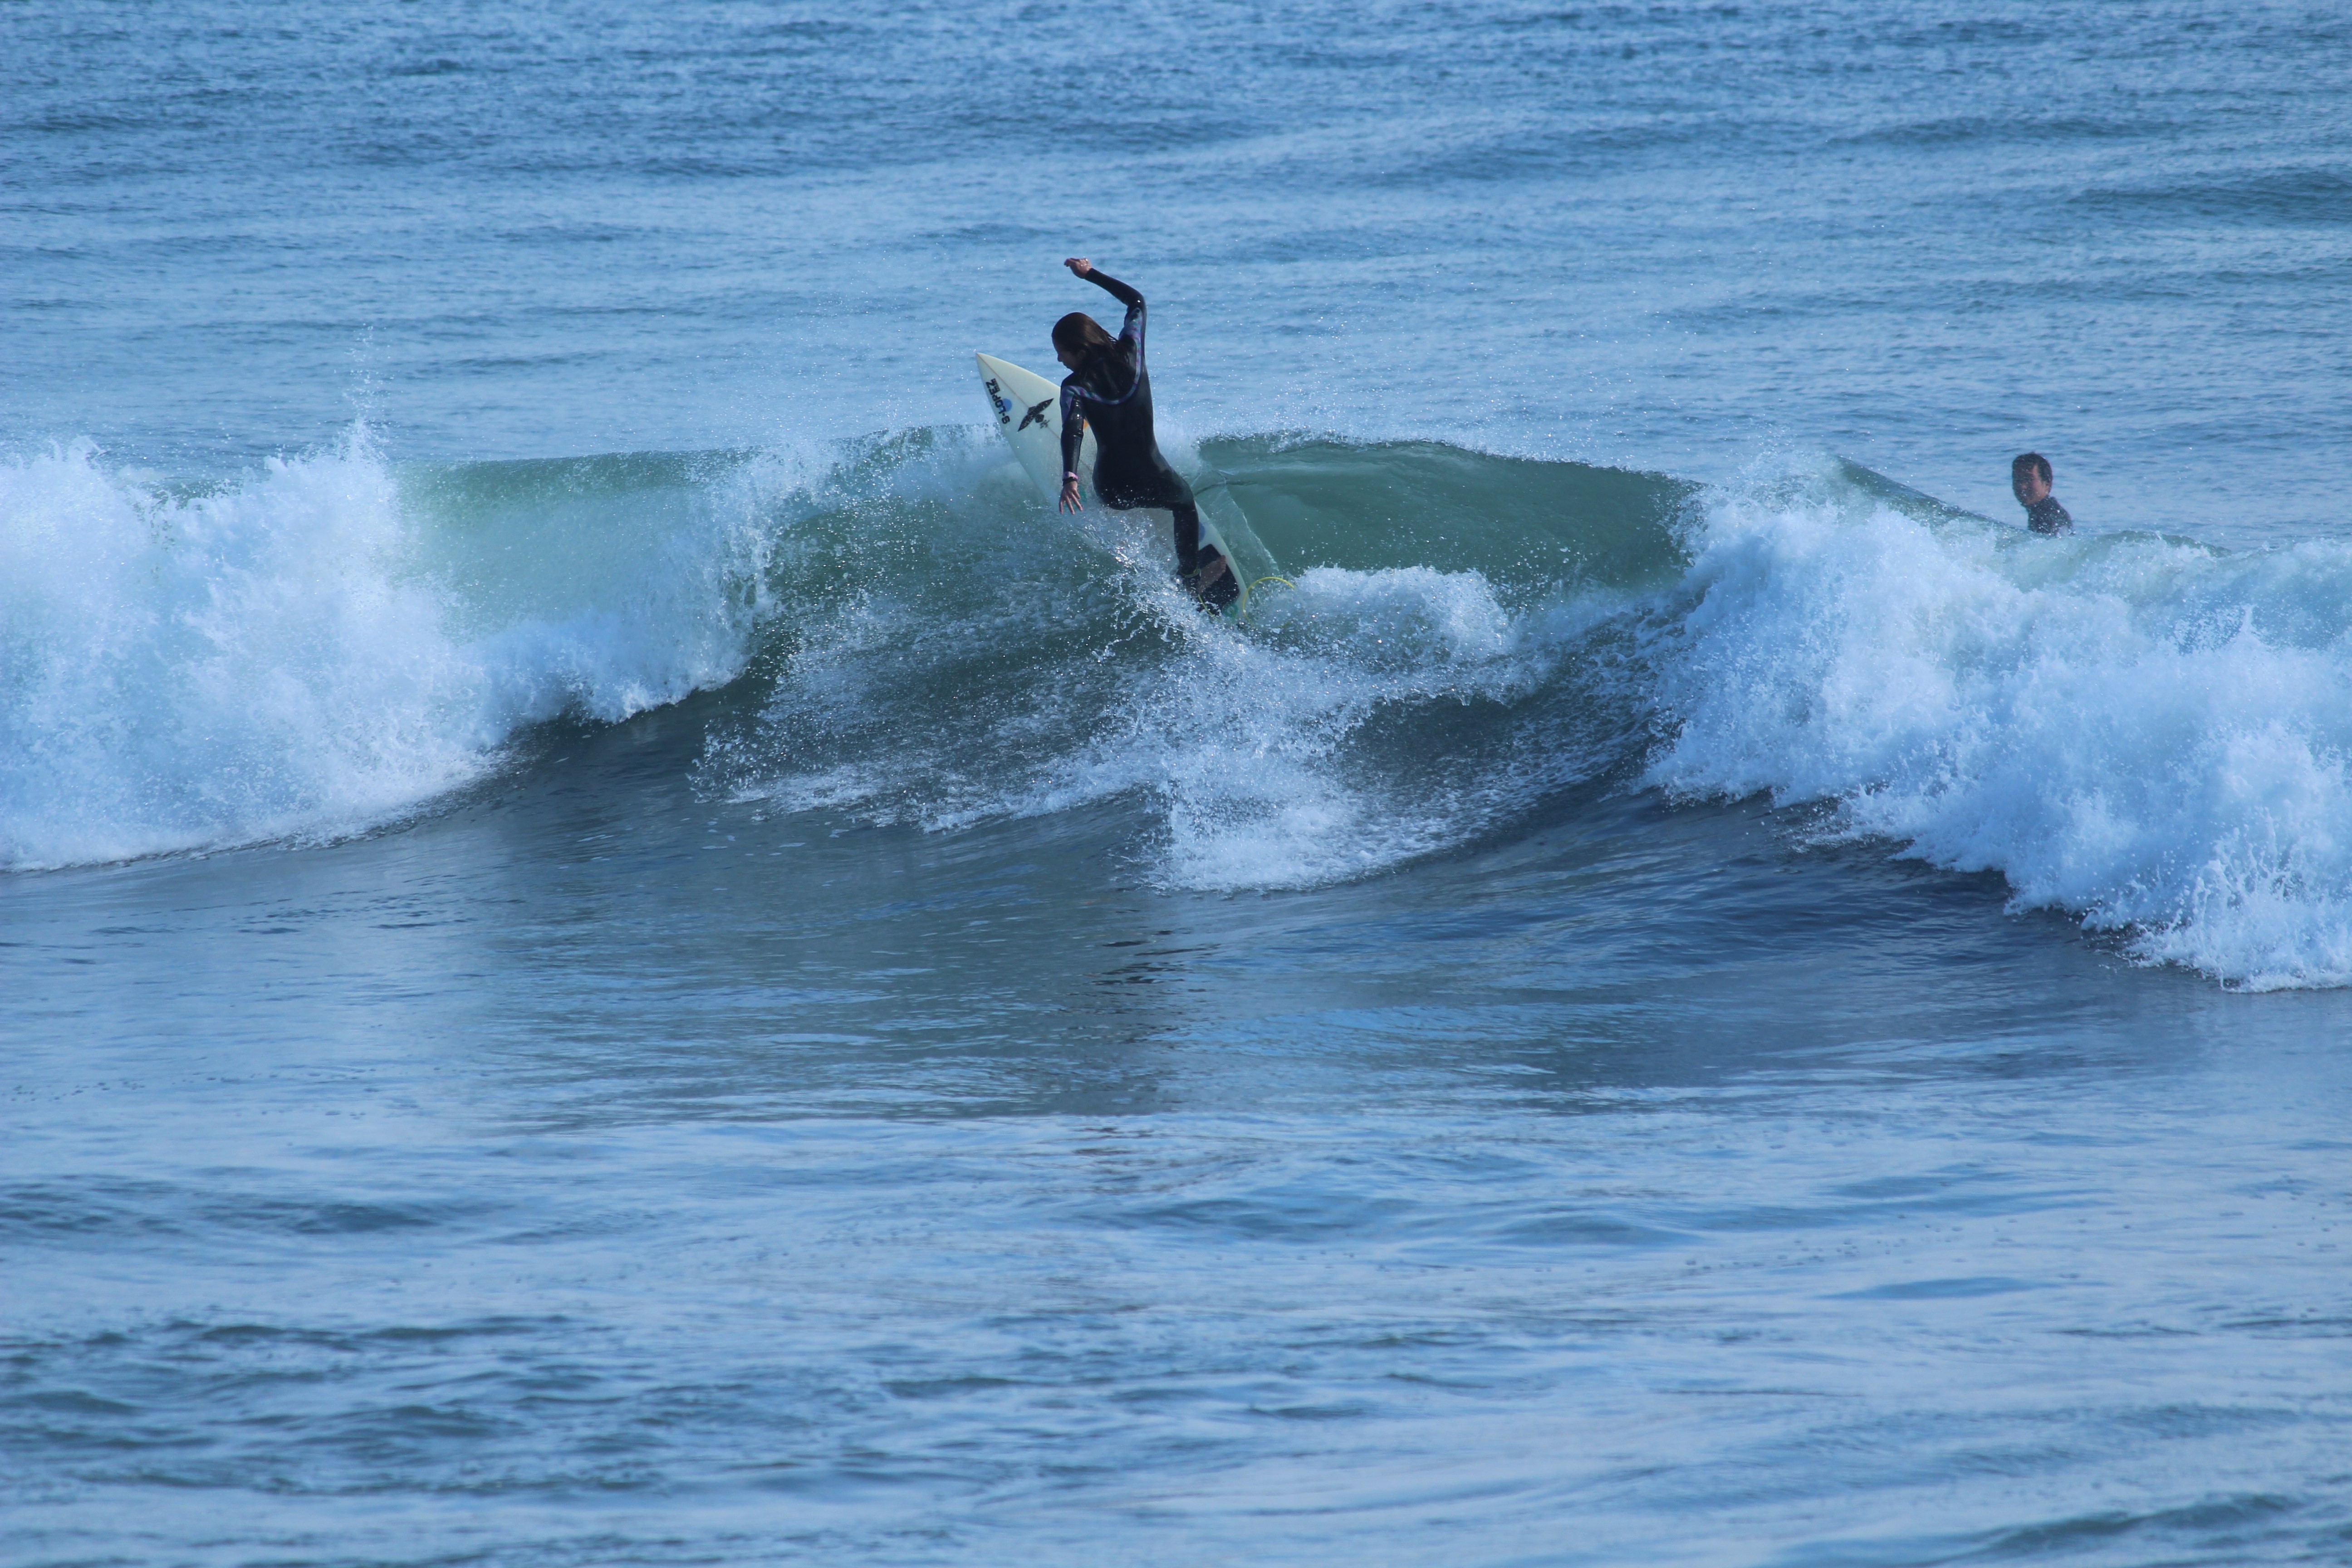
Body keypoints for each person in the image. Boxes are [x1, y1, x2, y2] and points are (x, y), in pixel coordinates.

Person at [1053, 258, 1236, 608]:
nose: (1060, 362)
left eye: (1062, 354)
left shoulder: (1074, 388)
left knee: (1104, 482)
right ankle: (1189, 578)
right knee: (1184, 503)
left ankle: (1124, 553)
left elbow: (1072, 431)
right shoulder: (1132, 352)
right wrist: (1090, 274)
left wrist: (1070, 479)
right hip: (1155, 478)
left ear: (1080, 351)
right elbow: (1136, 301)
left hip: (1113, 490)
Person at [2012, 452, 2073, 535]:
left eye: (2029, 479)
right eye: (2018, 480)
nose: (2023, 487)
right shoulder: (2046, 511)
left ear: (2047, 484)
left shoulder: (2047, 516)